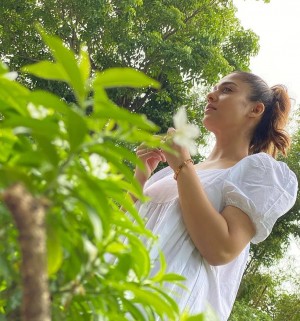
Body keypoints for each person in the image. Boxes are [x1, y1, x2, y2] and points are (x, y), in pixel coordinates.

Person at [133, 71, 298, 321]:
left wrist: (182, 165)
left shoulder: (259, 171)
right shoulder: (170, 173)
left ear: (255, 109)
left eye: (227, 90)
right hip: (116, 293)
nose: (211, 94)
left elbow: (221, 249)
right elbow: (120, 232)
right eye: (214, 88)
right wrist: (141, 176)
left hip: (169, 306)